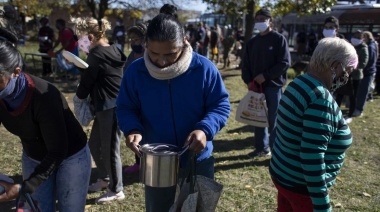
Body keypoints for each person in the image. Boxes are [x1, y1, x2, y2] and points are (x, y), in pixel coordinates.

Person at [116, 13, 230, 212]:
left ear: (184, 42)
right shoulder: (136, 72)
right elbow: (126, 107)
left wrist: (205, 129)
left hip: (198, 159)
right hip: (157, 162)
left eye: (170, 54)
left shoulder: (204, 68)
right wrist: (132, 128)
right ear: (146, 45)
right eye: (153, 54)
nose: (161, 61)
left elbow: (220, 104)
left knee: (198, 209)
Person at [0, 40, 91, 211]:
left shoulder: (43, 96)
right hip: (33, 155)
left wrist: (24, 187)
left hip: (70, 156)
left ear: (16, 72)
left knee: (70, 208)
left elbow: (58, 151)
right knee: (39, 208)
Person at [269, 37, 358, 212]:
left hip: (283, 174)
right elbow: (312, 156)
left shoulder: (299, 83)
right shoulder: (320, 99)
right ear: (335, 65)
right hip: (302, 187)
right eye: (348, 70)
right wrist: (322, 204)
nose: (348, 76)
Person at [73, 17, 126, 203]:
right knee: (95, 144)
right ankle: (104, 178)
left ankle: (116, 189)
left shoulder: (96, 54)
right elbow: (97, 75)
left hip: (112, 107)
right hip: (105, 106)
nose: (79, 43)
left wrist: (78, 97)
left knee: (111, 149)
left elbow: (86, 84)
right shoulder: (113, 48)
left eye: (80, 39)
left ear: (90, 36)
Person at [241, 8, 291, 157]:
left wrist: (266, 76)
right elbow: (246, 65)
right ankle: (261, 148)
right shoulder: (252, 43)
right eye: (257, 19)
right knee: (258, 118)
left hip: (273, 87)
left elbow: (284, 63)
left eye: (263, 18)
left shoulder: (278, 39)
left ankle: (276, 150)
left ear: (270, 21)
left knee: (273, 119)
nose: (260, 21)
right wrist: (249, 81)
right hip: (256, 88)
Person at [122, 22, 147, 174]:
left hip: (146, 100)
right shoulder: (131, 56)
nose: (132, 42)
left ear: (145, 40)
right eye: (131, 39)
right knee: (135, 133)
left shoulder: (150, 56)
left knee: (147, 133)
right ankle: (138, 161)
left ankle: (147, 161)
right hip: (133, 100)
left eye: (136, 39)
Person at [335, 30, 368, 123]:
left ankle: (350, 114)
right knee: (339, 93)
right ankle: (335, 111)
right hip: (345, 74)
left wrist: (352, 67)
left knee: (352, 95)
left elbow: (363, 63)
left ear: (362, 39)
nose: (355, 39)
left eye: (358, 37)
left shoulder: (364, 48)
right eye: (355, 36)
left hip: (355, 76)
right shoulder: (349, 46)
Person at [354, 31, 378, 116]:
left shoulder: (370, 47)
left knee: (363, 92)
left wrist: (362, 69)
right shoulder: (372, 45)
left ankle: (359, 110)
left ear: (366, 38)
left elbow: (368, 62)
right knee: (362, 91)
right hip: (369, 72)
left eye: (362, 38)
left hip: (368, 72)